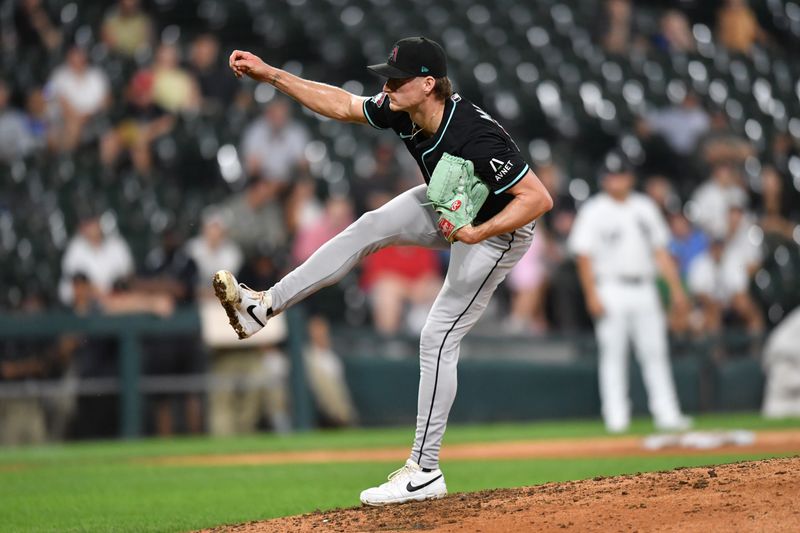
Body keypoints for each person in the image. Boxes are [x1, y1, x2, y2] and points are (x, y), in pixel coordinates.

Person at [216, 36, 552, 505]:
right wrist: (272, 75)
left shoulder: (473, 133)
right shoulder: (401, 108)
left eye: (397, 79)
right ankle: (262, 306)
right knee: (368, 226)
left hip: (499, 233)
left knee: (437, 336)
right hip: (448, 204)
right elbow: (343, 104)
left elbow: (538, 199)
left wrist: (480, 233)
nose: (387, 86)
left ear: (429, 83)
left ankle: (425, 470)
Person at [568, 152, 692, 434]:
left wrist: (676, 290)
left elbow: (661, 252)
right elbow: (583, 256)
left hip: (645, 287)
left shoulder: (645, 207)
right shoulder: (594, 210)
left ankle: (667, 414)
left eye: (620, 174)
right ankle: (616, 417)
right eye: (611, 175)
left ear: (630, 177)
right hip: (610, 286)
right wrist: (591, 294)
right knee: (614, 354)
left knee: (656, 352)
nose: (616, 180)